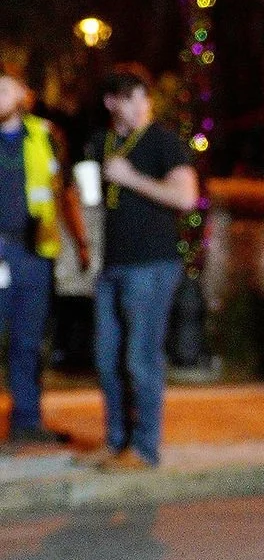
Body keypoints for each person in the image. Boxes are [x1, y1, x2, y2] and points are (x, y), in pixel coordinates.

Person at [89, 67, 198, 468]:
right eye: (131, 98)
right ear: (111, 103)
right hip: (111, 265)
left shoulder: (162, 143)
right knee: (106, 358)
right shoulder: (100, 143)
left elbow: (186, 197)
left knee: (140, 357)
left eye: (143, 98)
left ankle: (144, 448)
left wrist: (131, 179)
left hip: (152, 265)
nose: (140, 106)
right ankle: (116, 441)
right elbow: (92, 199)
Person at [0, 65, 87, 451]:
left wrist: (81, 241)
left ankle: (27, 421)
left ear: (23, 96)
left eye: (4, 90)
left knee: (28, 341)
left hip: (33, 253)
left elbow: (64, 191)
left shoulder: (46, 136)